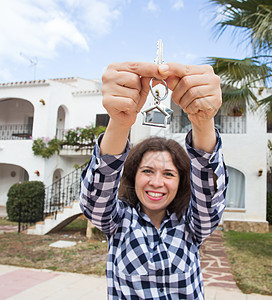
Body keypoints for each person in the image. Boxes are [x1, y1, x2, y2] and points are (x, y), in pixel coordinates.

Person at [80, 61, 228, 299]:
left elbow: (211, 199)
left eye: (169, 174)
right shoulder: (118, 222)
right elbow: (94, 201)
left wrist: (203, 121)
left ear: (182, 181)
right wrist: (119, 122)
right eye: (147, 171)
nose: (156, 182)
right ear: (133, 176)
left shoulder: (192, 225)